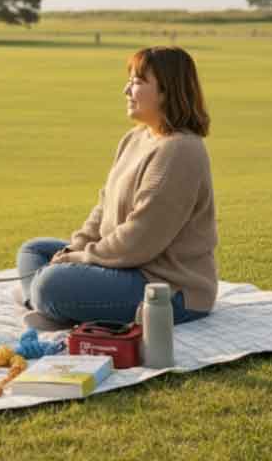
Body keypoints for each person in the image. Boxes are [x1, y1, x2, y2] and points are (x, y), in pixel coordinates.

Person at [14, 46, 218, 331]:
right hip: (121, 266)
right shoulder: (135, 138)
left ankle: (46, 301)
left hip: (166, 287)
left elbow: (140, 240)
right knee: (34, 251)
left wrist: (78, 259)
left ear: (166, 91)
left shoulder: (181, 151)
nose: (126, 90)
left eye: (137, 82)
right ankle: (48, 306)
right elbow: (103, 209)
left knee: (50, 283)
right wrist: (73, 249)